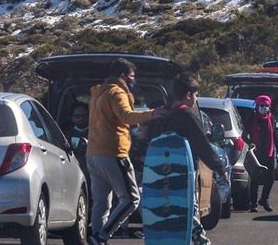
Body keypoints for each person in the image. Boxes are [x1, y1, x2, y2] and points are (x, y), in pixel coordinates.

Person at [87, 58, 165, 245]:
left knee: (101, 203)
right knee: (131, 199)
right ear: (122, 76)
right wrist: (153, 113)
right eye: (131, 76)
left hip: (93, 153)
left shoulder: (97, 94)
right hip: (113, 152)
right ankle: (101, 236)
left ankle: (96, 238)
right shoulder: (117, 93)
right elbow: (127, 116)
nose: (133, 80)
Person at [145, 74, 228, 245]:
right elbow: (203, 146)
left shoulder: (161, 116)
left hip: (158, 173)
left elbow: (148, 142)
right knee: (189, 210)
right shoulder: (187, 117)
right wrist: (220, 169)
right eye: (196, 95)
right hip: (185, 172)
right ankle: (203, 243)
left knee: (165, 212)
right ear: (189, 94)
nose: (196, 98)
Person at [245, 95, 278, 212]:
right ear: (257, 106)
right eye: (261, 106)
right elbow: (244, 135)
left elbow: (274, 134)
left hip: (269, 152)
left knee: (270, 178)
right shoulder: (251, 118)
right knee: (255, 178)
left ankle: (264, 199)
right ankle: (253, 203)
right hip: (256, 153)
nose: (264, 108)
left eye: (266, 106)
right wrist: (250, 143)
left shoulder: (271, 118)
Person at [63, 102, 90, 177]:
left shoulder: (96, 132)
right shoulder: (66, 135)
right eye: (77, 116)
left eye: (84, 116)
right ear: (72, 118)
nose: (81, 118)